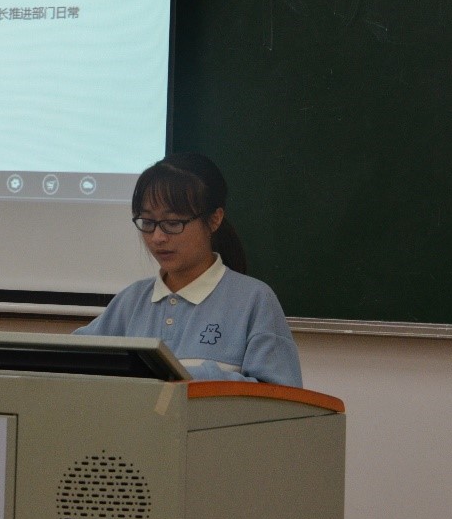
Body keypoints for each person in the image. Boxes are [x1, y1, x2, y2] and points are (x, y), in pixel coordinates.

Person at [76, 153, 302, 387]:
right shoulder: (131, 302)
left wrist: (190, 378)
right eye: (148, 223)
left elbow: (281, 397)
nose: (158, 237)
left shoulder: (254, 300)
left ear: (214, 220)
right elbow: (71, 363)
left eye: (173, 223)